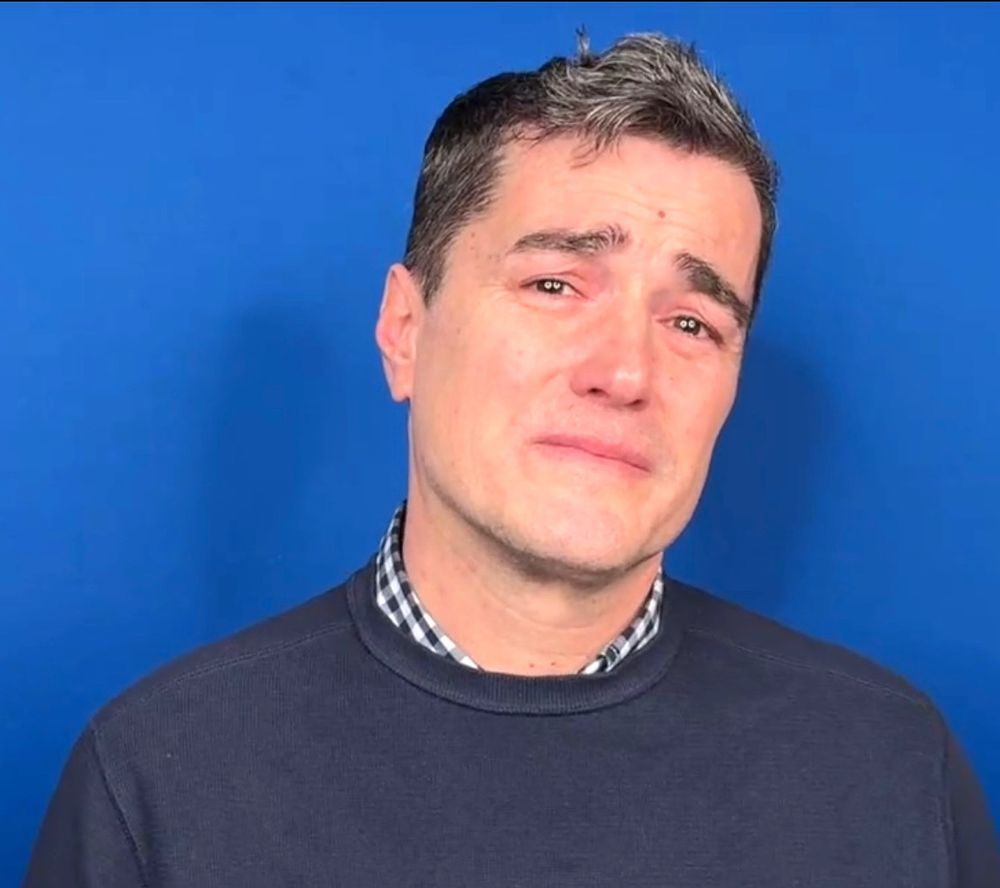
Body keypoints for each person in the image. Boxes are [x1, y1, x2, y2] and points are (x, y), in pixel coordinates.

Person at [22, 30, 999, 888]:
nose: (624, 371)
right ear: (405, 330)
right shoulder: (157, 780)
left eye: (694, 322)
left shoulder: (890, 772)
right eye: (554, 283)